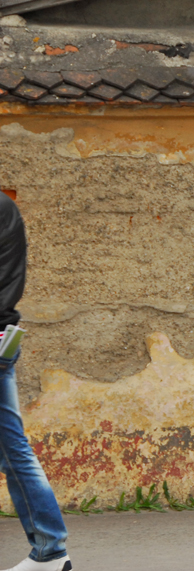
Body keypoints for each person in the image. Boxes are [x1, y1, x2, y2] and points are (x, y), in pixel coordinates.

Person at [0, 193, 72, 571]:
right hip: (2, 335)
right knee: (12, 450)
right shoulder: (5, 207)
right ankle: (50, 549)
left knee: (13, 451)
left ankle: (51, 547)